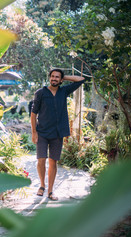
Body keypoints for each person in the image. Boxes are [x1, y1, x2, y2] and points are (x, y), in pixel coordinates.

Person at [30, 69, 85, 201]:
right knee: (41, 160)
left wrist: (64, 77)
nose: (54, 79)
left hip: (57, 133)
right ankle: (42, 185)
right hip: (42, 132)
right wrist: (34, 132)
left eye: (57, 77)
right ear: (49, 78)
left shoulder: (64, 91)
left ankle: (50, 191)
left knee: (53, 162)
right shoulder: (41, 93)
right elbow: (33, 114)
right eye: (52, 76)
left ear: (61, 80)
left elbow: (82, 80)